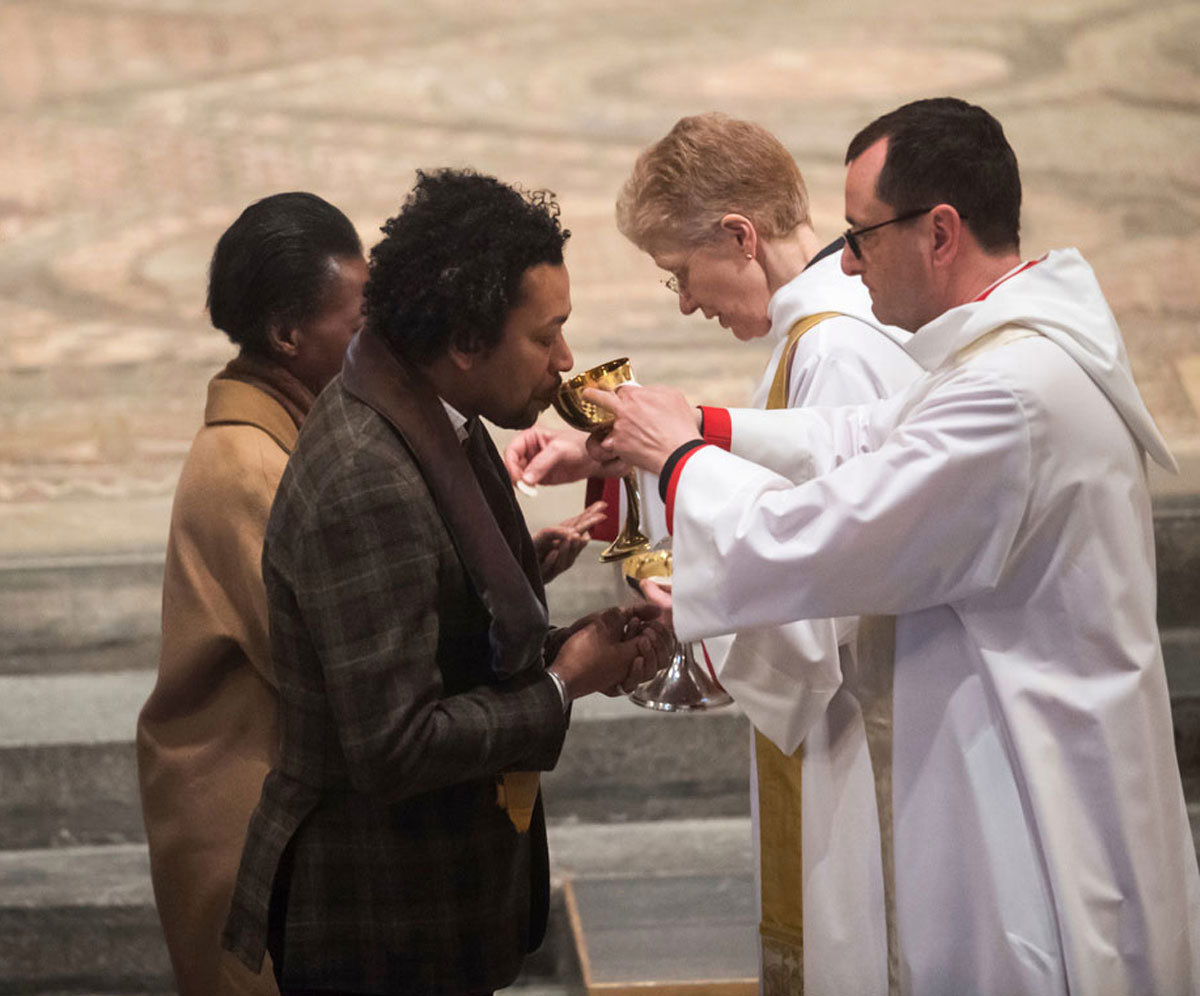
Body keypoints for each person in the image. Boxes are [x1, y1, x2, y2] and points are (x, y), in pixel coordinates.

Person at [585, 98, 1200, 995]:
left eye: (862, 234)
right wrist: (705, 427)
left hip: (1029, 794)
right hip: (1016, 745)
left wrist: (680, 459)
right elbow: (860, 438)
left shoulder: (1008, 396)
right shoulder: (1006, 351)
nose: (848, 258)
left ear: (939, 232)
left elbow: (831, 529)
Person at [221, 169, 670, 996]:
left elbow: (452, 636)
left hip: (440, 900)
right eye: (546, 336)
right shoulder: (368, 474)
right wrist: (563, 683)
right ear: (466, 341)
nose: (567, 363)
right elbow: (394, 745)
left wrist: (568, 647)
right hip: (377, 918)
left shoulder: (434, 414)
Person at [505, 113, 920, 995]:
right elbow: (778, 475)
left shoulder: (837, 348)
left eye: (680, 275)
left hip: (864, 732)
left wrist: (696, 600)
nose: (688, 302)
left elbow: (830, 588)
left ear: (739, 234)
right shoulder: (825, 330)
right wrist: (615, 465)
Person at [137, 191, 368, 996]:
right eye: (356, 320)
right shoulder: (246, 467)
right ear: (286, 336)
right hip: (241, 825)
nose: (373, 339)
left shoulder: (287, 433)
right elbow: (322, 648)